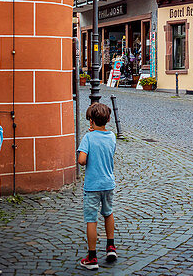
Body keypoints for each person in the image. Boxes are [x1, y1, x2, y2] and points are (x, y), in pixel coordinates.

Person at [77, 102, 118, 270]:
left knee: (91, 219)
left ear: (91, 121)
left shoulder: (88, 137)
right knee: (108, 213)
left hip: (93, 185)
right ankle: (110, 247)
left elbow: (81, 160)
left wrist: (83, 151)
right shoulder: (112, 137)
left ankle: (92, 257)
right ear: (108, 119)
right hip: (108, 183)